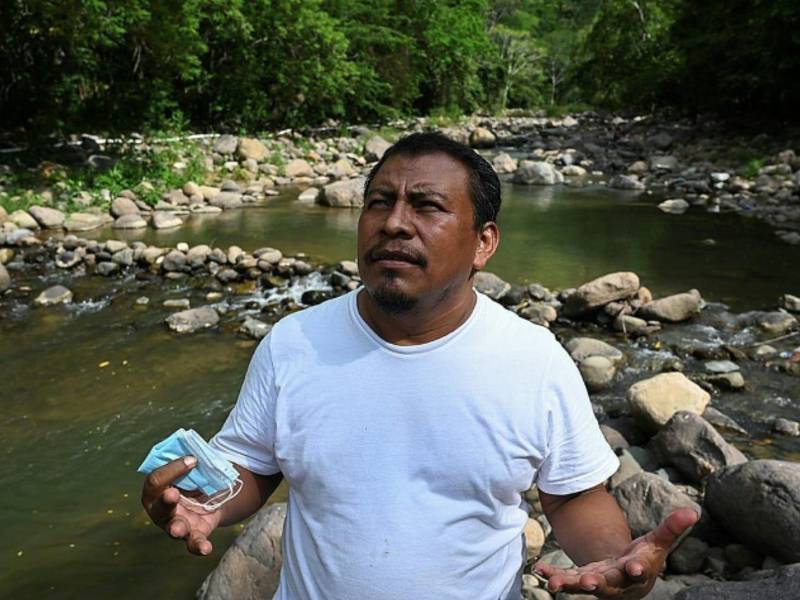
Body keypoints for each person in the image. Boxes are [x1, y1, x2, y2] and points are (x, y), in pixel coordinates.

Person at [141, 132, 698, 599]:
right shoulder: (295, 344)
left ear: (484, 243)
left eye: (427, 206)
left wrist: (611, 564)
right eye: (379, 202)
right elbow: (255, 467)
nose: (394, 224)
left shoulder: (533, 361)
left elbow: (572, 494)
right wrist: (198, 502)